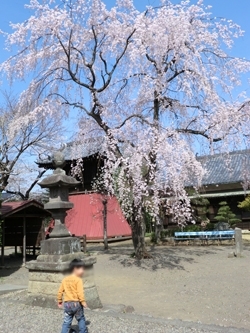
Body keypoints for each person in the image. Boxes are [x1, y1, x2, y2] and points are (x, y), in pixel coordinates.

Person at [58, 259, 88, 333]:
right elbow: (80, 293)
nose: (83, 271)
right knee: (80, 319)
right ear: (75, 268)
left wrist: (59, 301)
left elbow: (60, 291)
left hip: (67, 304)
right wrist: (83, 302)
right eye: (82, 269)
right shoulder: (78, 280)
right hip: (76, 303)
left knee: (67, 321)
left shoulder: (65, 279)